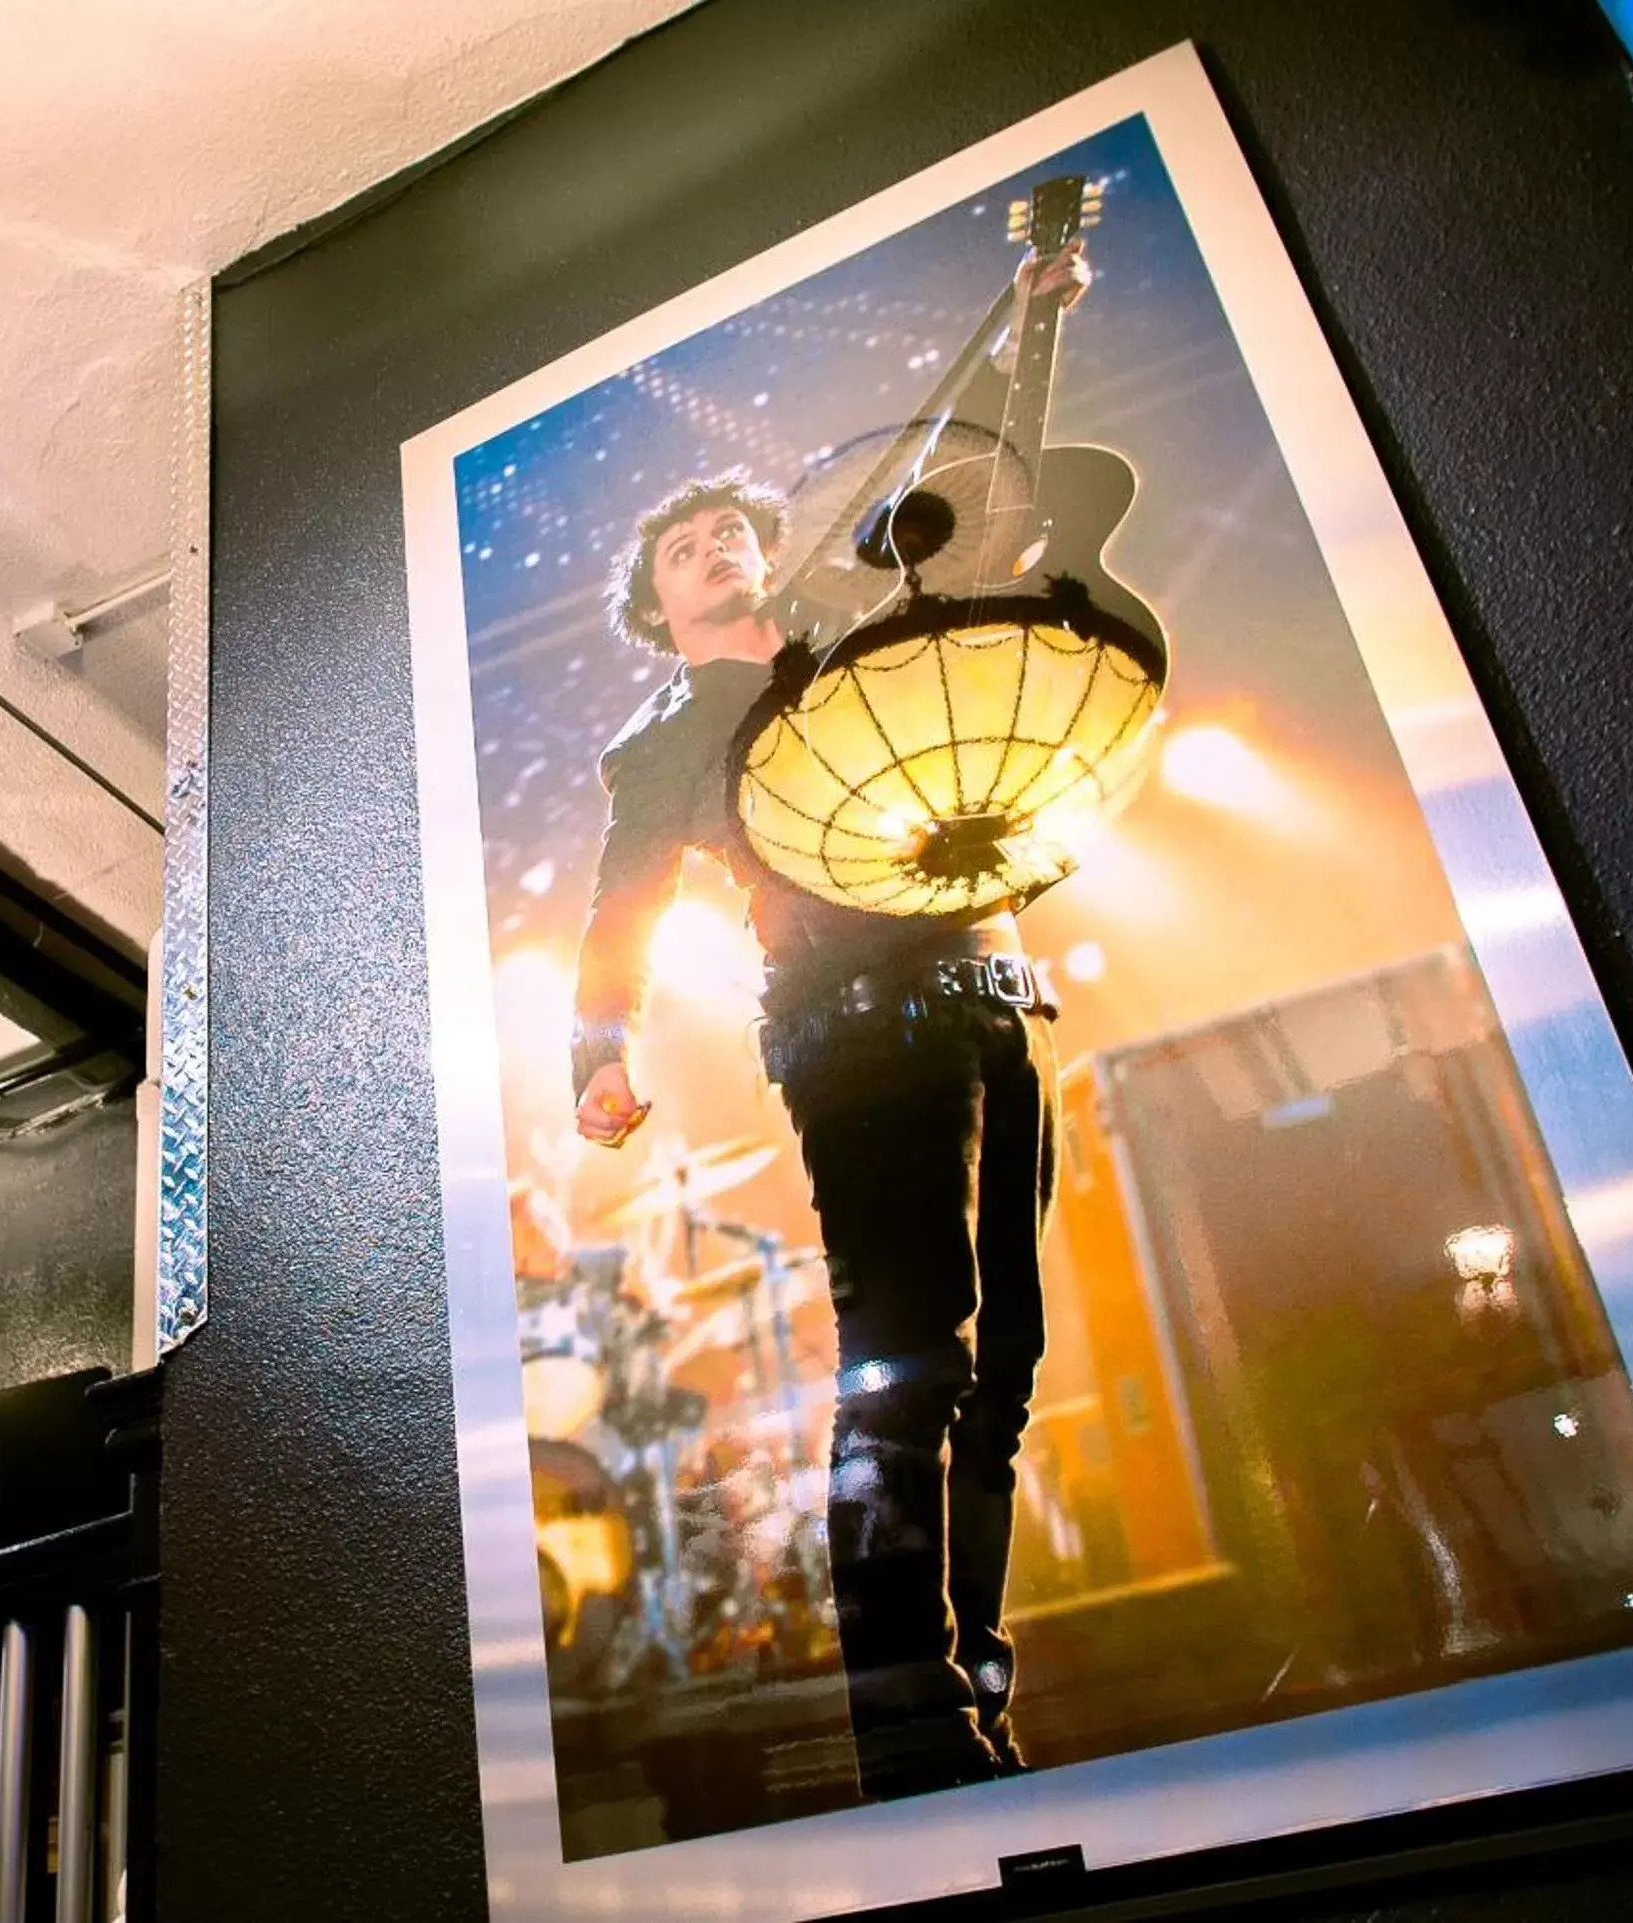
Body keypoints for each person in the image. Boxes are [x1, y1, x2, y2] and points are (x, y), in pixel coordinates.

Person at [566, 236, 1086, 1800]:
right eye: (687, 552)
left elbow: (984, 490)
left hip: (988, 983)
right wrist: (596, 1050)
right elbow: (616, 904)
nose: (719, 548)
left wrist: (1035, 332)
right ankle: (904, 1719)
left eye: (734, 532)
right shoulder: (660, 743)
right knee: (903, 1354)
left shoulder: (861, 632)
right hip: (846, 1021)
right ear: (659, 613)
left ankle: (972, 1684)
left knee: (1006, 1355)